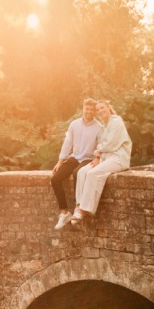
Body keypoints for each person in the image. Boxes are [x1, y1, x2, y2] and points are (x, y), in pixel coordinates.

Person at [71, 100, 131, 224]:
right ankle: (78, 205)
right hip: (106, 156)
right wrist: (98, 155)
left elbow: (110, 144)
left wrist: (97, 152)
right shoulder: (105, 125)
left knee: (93, 174)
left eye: (102, 108)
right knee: (82, 171)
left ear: (109, 107)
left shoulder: (116, 122)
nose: (100, 111)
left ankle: (85, 209)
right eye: (98, 110)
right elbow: (103, 145)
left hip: (118, 158)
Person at [51, 98, 103, 229]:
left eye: (92, 109)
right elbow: (67, 143)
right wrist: (60, 162)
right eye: (87, 108)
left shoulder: (99, 127)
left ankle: (77, 208)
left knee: (77, 173)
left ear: (94, 112)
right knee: (55, 178)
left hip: (88, 159)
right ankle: (64, 212)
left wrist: (97, 158)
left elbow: (102, 146)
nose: (89, 111)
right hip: (75, 157)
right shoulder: (74, 124)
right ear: (83, 108)